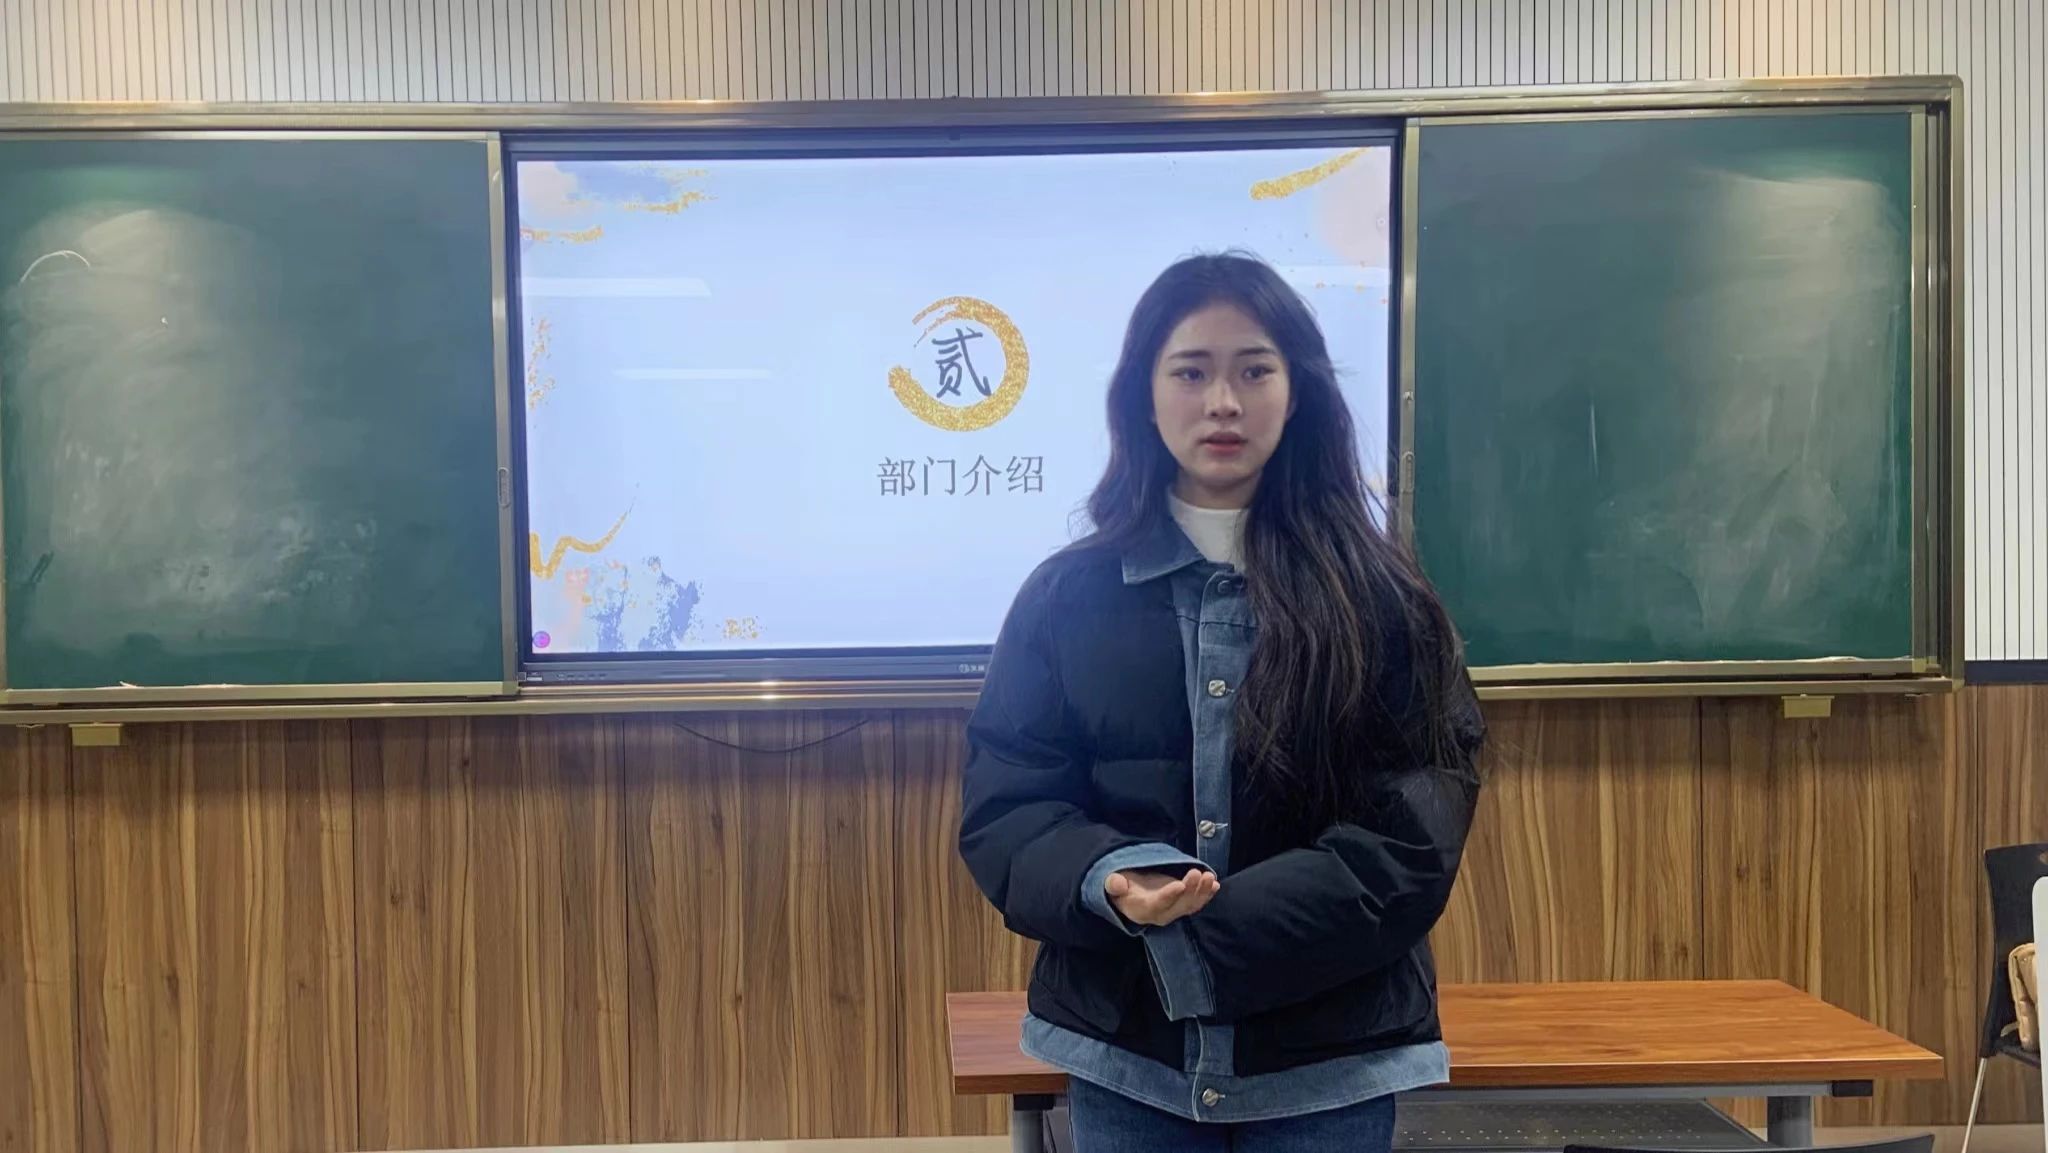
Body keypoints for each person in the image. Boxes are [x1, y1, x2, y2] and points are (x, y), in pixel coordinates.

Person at [958, 253, 1486, 1152]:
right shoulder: (1063, 597)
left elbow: (1410, 837)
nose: (1223, 403)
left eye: (1254, 370)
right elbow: (1008, 807)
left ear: (1298, 390)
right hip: (1128, 1053)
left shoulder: (1383, 600)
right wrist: (1110, 879)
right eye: (1191, 372)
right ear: (1143, 394)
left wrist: (1200, 933)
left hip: (1326, 1061)